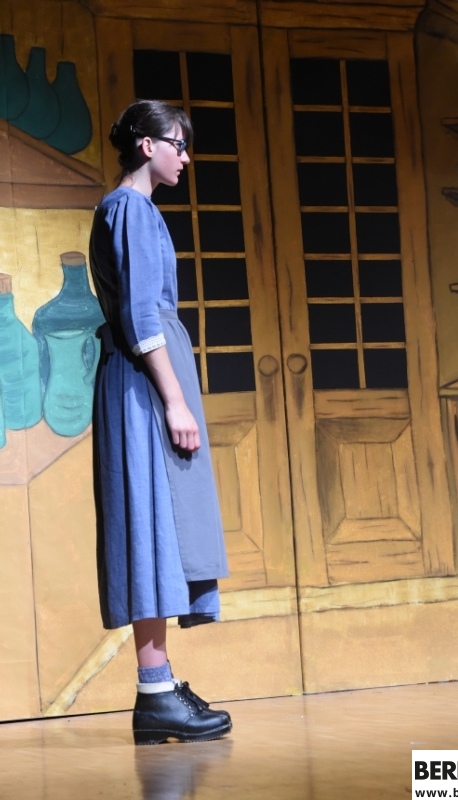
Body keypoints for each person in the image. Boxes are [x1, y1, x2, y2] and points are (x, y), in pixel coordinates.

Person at [89, 99, 231, 745]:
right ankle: (155, 692)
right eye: (179, 143)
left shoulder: (134, 210)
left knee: (160, 528)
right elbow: (142, 315)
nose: (186, 157)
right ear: (148, 145)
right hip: (144, 386)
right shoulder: (130, 209)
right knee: (149, 523)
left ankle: (159, 688)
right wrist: (174, 400)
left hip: (146, 380)